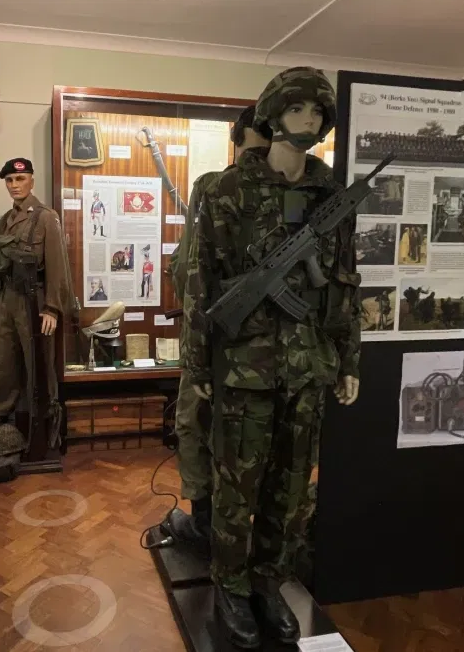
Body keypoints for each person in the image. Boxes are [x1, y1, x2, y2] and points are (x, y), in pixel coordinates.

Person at [184, 67, 362, 649]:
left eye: (317, 112)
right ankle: (231, 586)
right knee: (238, 488)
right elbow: (200, 281)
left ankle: (268, 582)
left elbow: (344, 283)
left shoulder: (332, 195)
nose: (307, 121)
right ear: (272, 114)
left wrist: (349, 359)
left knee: (290, 490)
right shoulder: (226, 190)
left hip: (308, 367)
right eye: (296, 109)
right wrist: (198, 365)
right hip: (244, 367)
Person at [162, 104, 268, 555]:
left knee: (195, 424)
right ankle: (245, 528)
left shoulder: (211, 188)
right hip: (267, 349)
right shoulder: (295, 193)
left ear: (235, 137)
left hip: (213, 341)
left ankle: (206, 524)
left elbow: (186, 269)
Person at [0, 158, 73, 461]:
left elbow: (58, 266)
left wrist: (52, 308)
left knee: (39, 364)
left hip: (35, 301)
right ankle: (2, 421)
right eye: (9, 180)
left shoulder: (46, 217)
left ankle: (44, 428)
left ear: (31, 181)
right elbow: (1, 263)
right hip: (9, 299)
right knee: (4, 362)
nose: (14, 185)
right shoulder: (6, 220)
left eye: (20, 179)